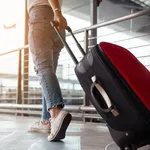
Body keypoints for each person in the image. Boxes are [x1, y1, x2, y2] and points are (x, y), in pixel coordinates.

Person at [27, 0, 72, 141]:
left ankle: (56, 113)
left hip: (41, 17)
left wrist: (57, 12)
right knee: (47, 73)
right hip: (55, 25)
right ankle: (46, 121)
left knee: (43, 67)